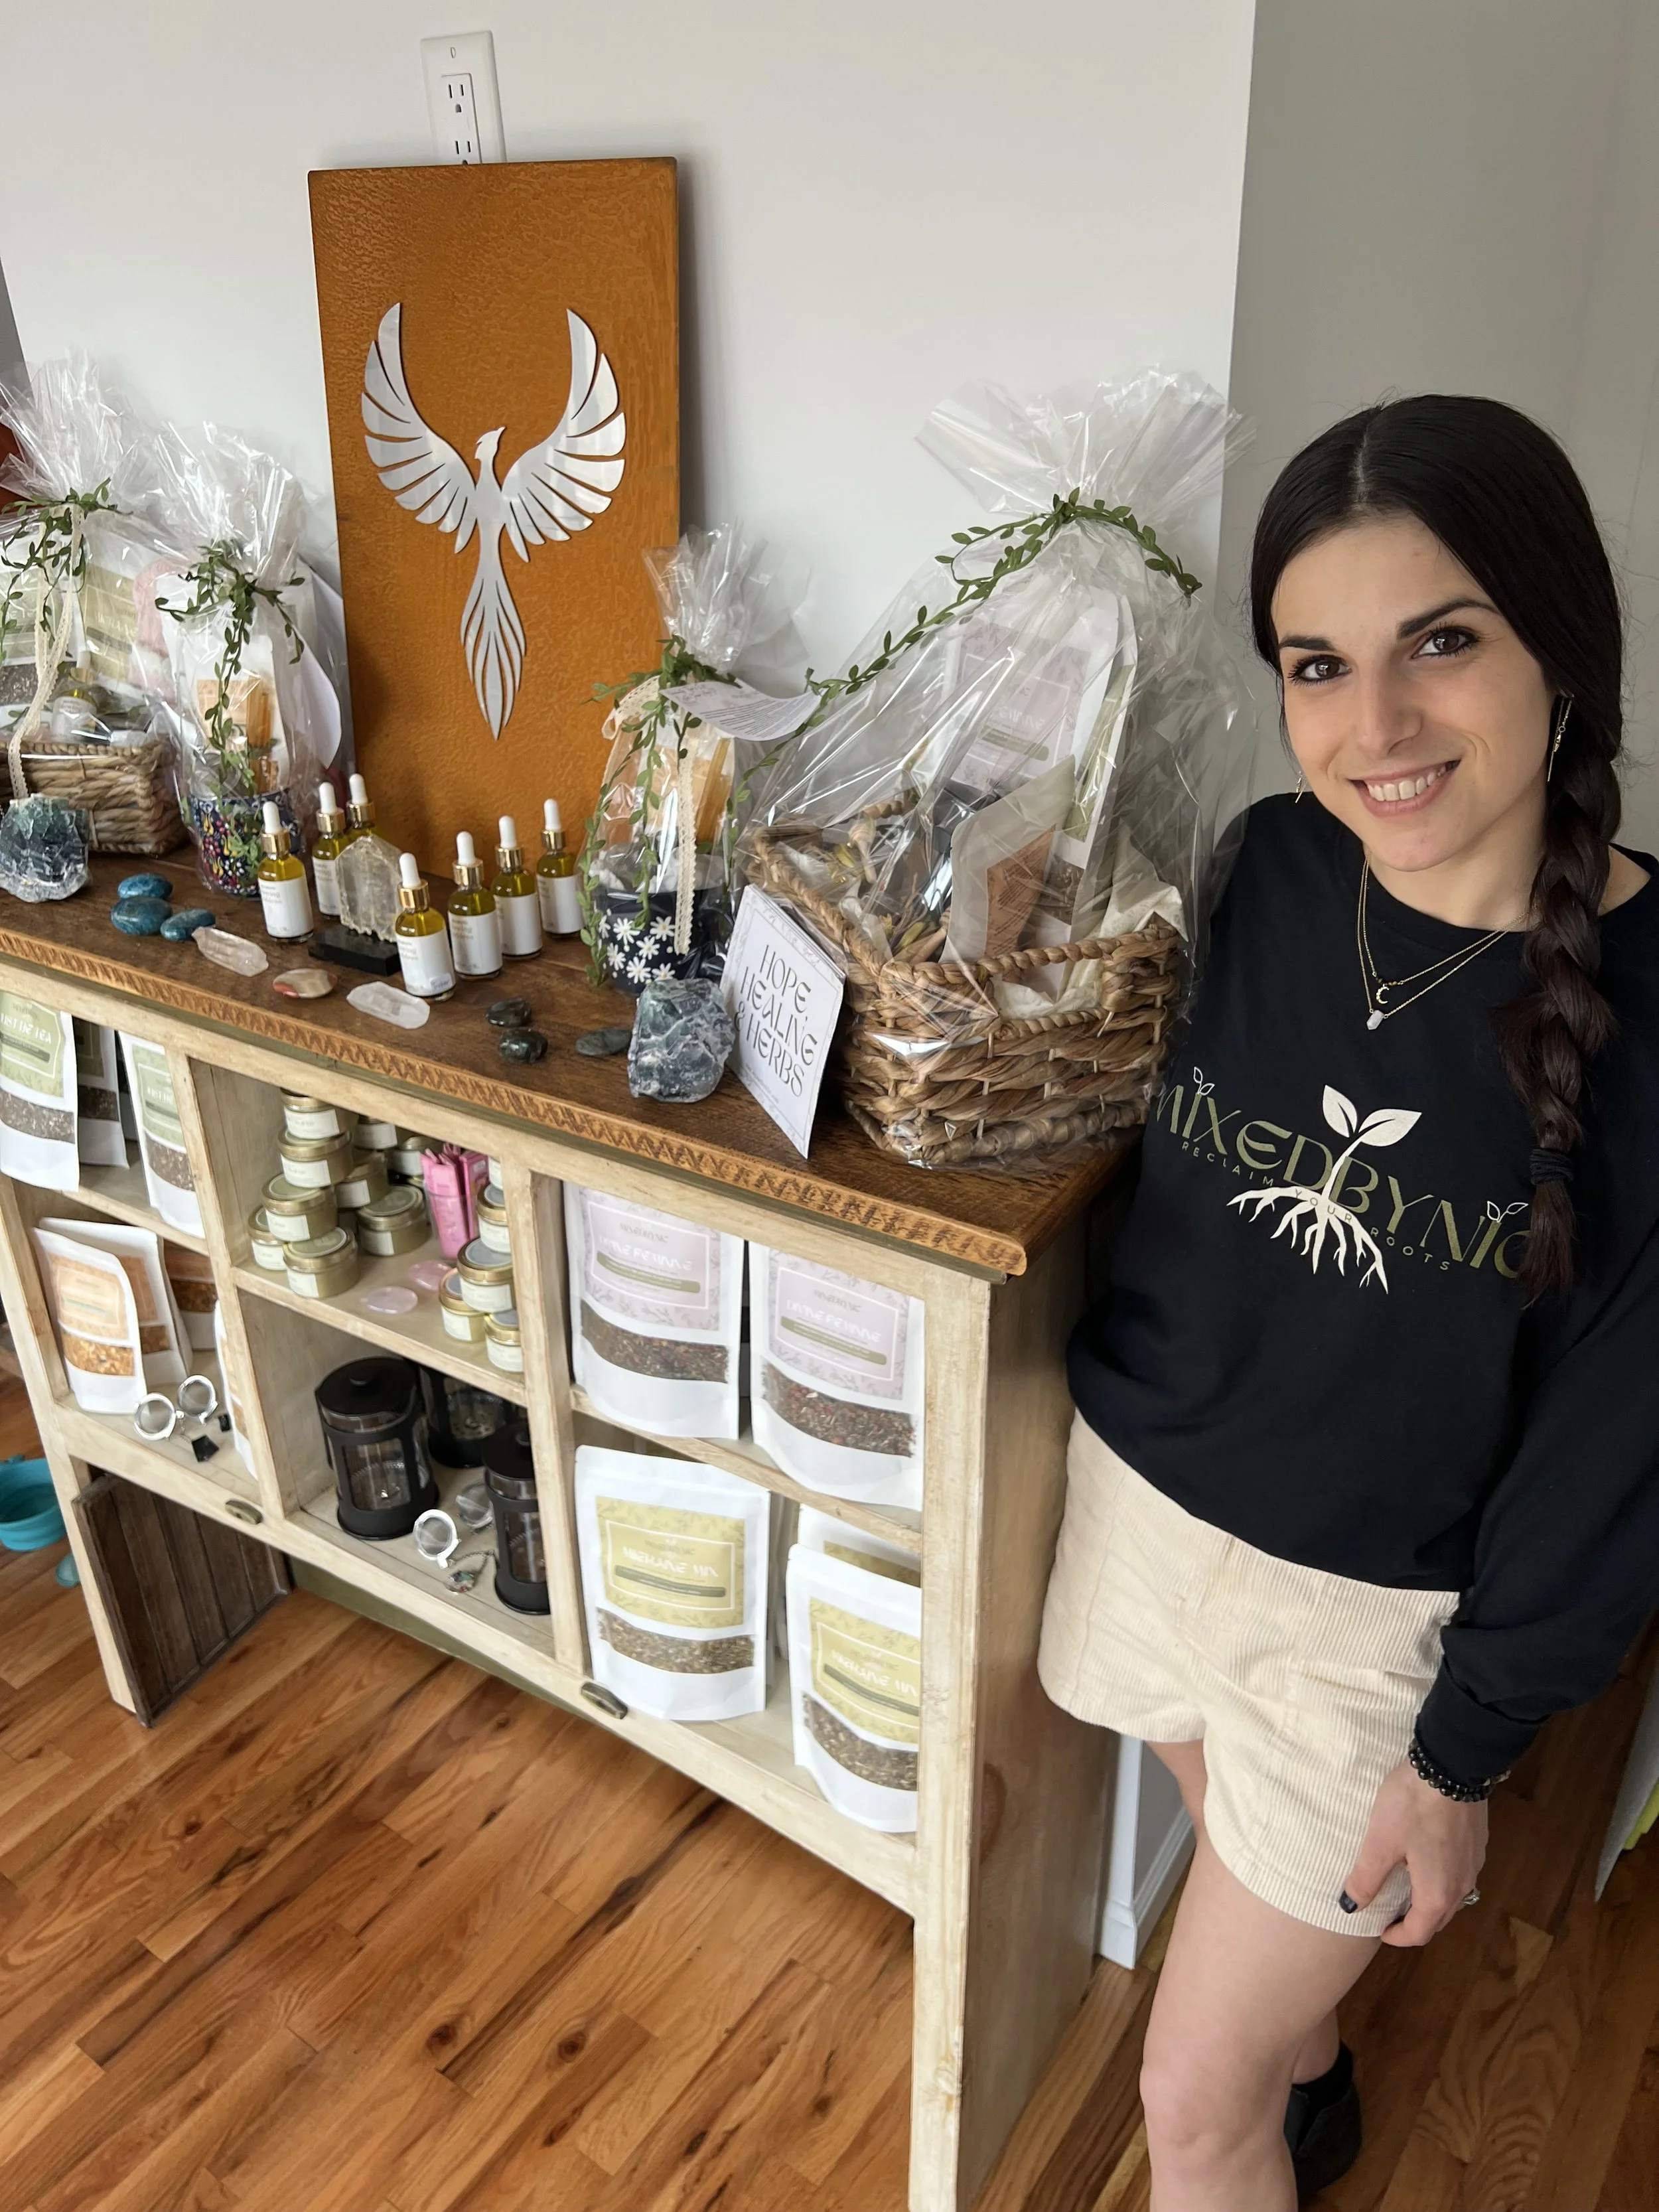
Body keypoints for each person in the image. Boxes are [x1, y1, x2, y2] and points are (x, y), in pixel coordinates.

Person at [1039, 394, 1659, 2209]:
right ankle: (1312, 2051)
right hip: (1143, 1498)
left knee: (1186, 2093)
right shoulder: (1272, 865)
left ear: (1565, 648)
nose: (1371, 728)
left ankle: (1269, 2080)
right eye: (1316, 665)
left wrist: (1461, 1754)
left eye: (1439, 645)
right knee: (1220, 1826)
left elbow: (1612, 1462)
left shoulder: (1647, 1025)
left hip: (1371, 1631)